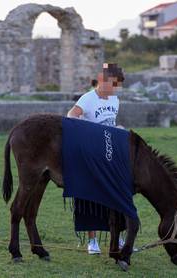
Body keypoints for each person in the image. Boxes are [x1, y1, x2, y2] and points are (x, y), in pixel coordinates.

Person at [67, 63, 124, 254]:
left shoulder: (115, 99)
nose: (115, 89)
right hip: (91, 154)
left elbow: (111, 123)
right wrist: (89, 133)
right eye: (113, 84)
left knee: (116, 193)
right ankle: (92, 242)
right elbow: (71, 116)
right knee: (89, 196)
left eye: (117, 85)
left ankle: (118, 235)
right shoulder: (88, 98)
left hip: (110, 153)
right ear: (103, 80)